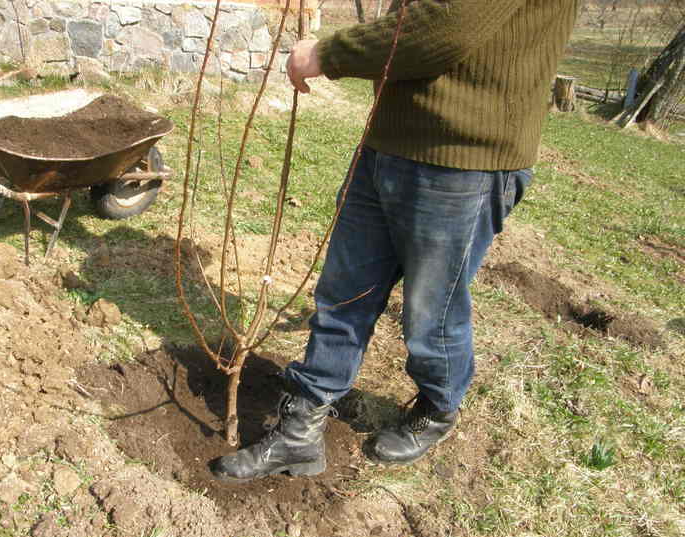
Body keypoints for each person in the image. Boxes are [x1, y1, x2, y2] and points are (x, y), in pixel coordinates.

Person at [211, 1, 578, 481]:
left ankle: (438, 407)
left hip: (464, 155)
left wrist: (328, 53)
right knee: (344, 292)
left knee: (432, 312)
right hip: (389, 140)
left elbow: (441, 31)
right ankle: (301, 428)